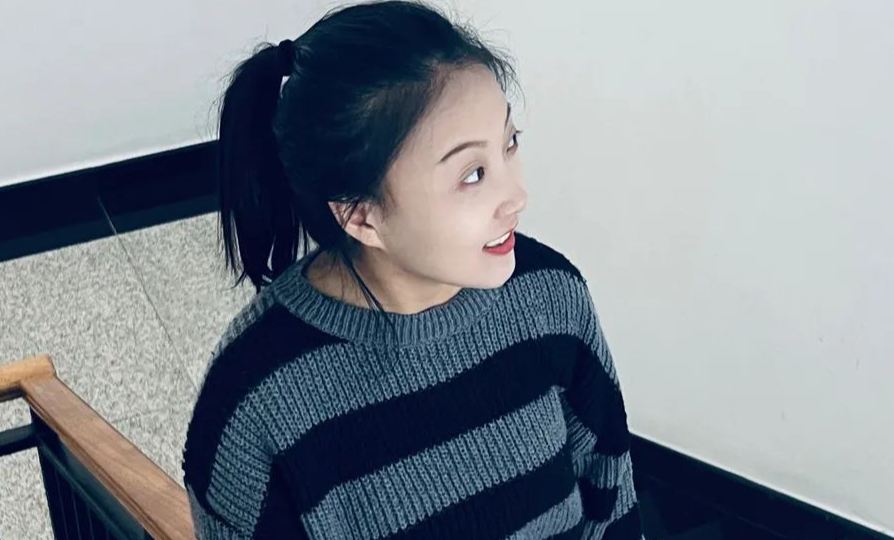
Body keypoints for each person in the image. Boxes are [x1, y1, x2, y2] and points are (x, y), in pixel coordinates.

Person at [181, 1, 645, 538]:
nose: (517, 195)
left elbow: (610, 492)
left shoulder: (551, 297)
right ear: (361, 216)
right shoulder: (255, 406)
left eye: (509, 143)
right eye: (473, 174)